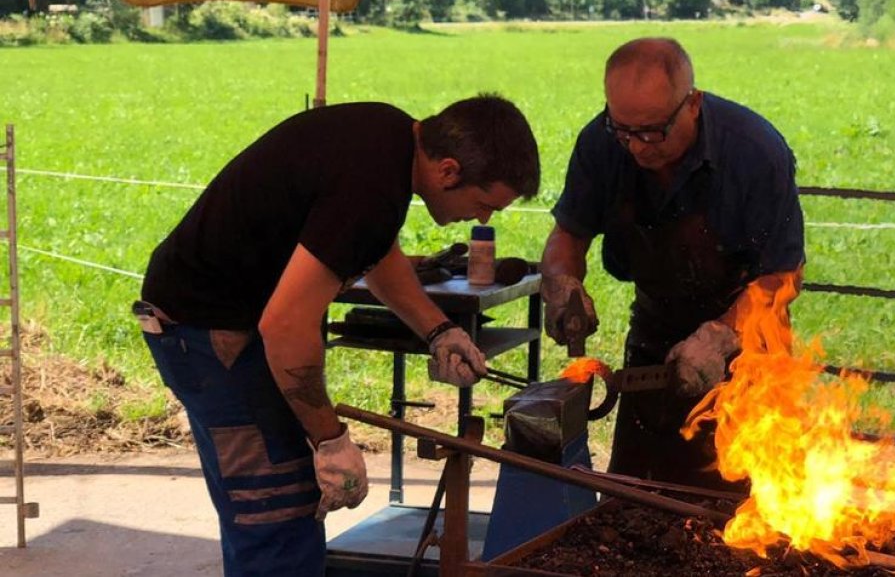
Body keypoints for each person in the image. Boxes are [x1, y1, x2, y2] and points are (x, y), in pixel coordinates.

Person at [134, 96, 540, 577]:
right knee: (277, 518)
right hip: (208, 335)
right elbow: (285, 326)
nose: (483, 221)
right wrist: (330, 439)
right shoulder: (372, 184)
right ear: (449, 171)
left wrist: (438, 329)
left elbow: (371, 248)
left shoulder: (391, 136)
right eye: (484, 204)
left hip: (208, 322)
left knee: (270, 516)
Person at [539, 38, 805, 491]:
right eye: (623, 130)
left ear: (693, 104)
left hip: (748, 347)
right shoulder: (601, 144)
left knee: (740, 517)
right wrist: (562, 282)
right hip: (653, 338)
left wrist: (720, 336)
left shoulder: (754, 151)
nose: (638, 148)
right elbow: (569, 234)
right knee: (636, 502)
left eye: (653, 132)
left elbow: (782, 276)